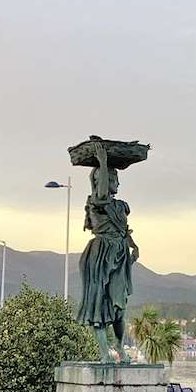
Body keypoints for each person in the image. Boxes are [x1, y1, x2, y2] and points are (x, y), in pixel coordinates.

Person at [75, 142, 140, 362]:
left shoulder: (120, 206)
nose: (117, 184)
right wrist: (103, 162)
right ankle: (104, 353)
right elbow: (101, 192)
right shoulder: (96, 202)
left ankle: (120, 348)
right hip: (100, 255)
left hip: (119, 254)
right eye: (114, 179)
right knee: (98, 307)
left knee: (119, 306)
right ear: (102, 180)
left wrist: (132, 245)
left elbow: (123, 229)